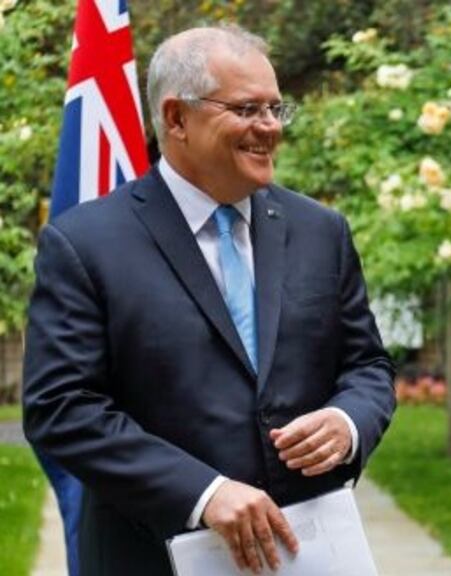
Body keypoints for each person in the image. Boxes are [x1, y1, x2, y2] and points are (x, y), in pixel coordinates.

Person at [22, 25, 395, 576]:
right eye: (247, 109)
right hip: (152, 556)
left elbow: (367, 365)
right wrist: (204, 492)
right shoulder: (84, 244)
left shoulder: (321, 231)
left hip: (310, 553)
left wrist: (347, 420)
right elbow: (62, 408)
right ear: (176, 118)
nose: (269, 128)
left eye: (275, 109)